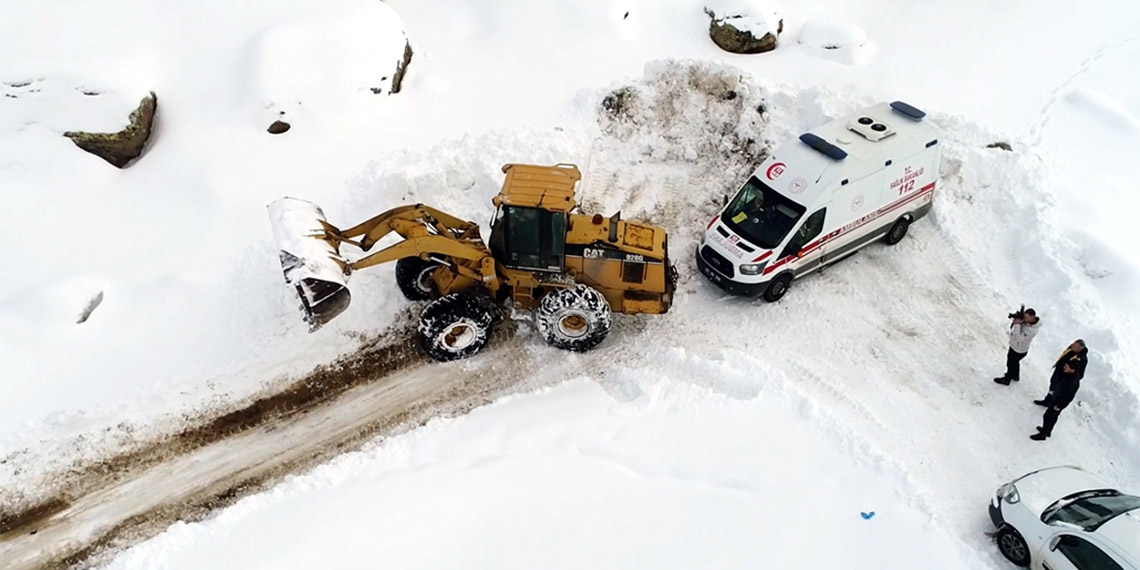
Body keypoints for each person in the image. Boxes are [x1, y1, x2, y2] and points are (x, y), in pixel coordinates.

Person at [1030, 339, 1089, 441]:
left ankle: (1043, 434)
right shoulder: (1068, 376)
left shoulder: (1071, 380)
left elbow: (1068, 395)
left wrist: (1058, 405)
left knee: (1049, 416)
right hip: (1059, 390)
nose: (1071, 346)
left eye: (1074, 346)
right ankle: (1047, 430)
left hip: (1059, 401)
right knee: (1053, 414)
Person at [993, 307, 1041, 385]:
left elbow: (1018, 338)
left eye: (1026, 317)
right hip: (1017, 348)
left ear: (1032, 318)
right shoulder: (1028, 323)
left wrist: (1017, 324)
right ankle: (1015, 375)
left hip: (1018, 350)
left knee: (1010, 363)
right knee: (1015, 363)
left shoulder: (1031, 331)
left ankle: (1007, 379)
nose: (1024, 319)